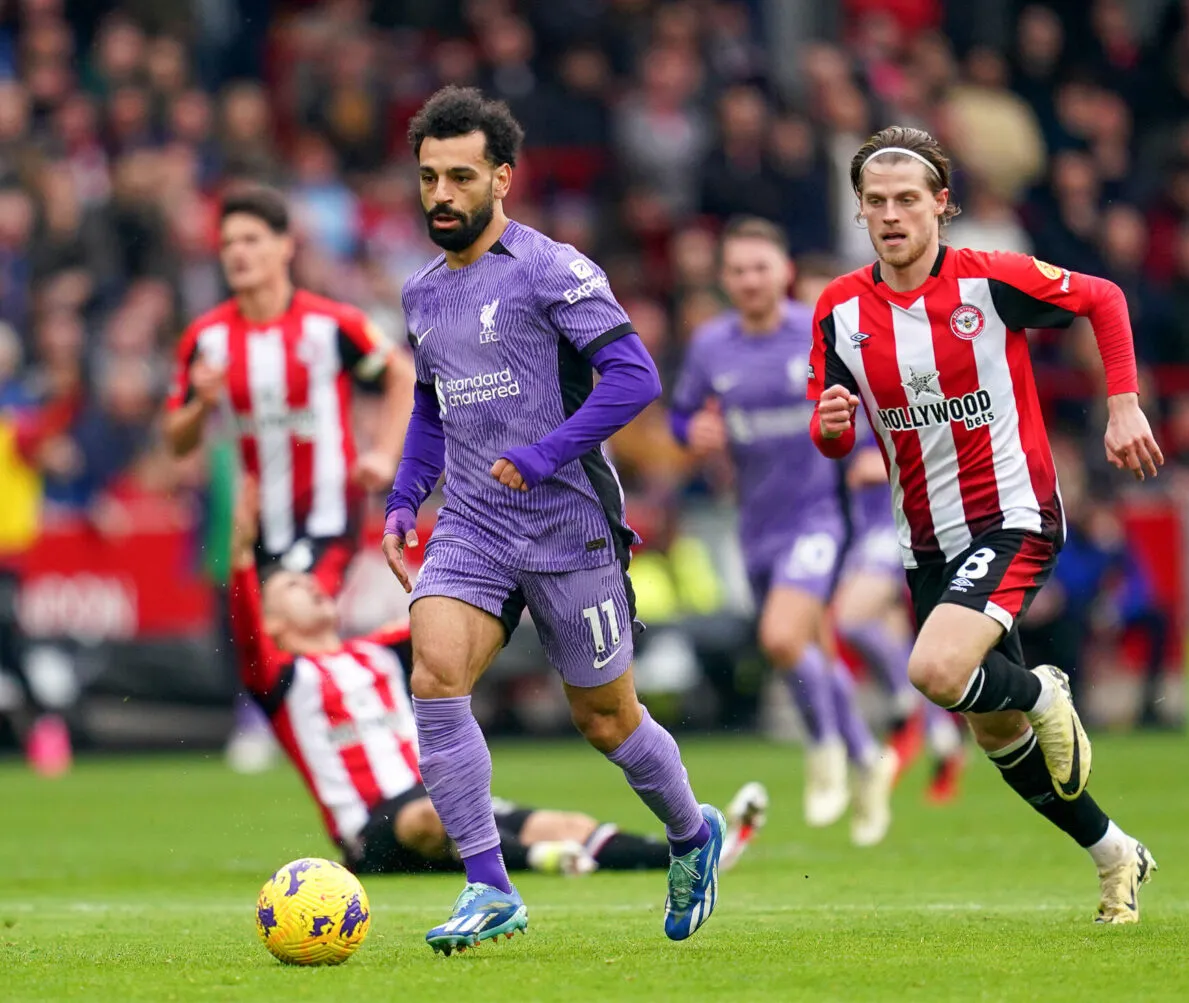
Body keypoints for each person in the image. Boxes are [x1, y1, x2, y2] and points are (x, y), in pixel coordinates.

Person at [381, 86, 724, 953]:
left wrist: (543, 454)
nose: (441, 195)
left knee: (606, 720)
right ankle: (489, 885)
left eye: (461, 176)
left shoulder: (553, 269)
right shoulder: (421, 295)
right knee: (434, 671)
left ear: (503, 177)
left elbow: (634, 377)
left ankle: (692, 833)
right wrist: (402, 496)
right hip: (474, 526)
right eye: (429, 178)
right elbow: (431, 407)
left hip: (569, 528)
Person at [808, 125, 1164, 924]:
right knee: (994, 730)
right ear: (860, 212)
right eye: (876, 202)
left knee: (934, 671)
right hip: (923, 538)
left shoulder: (989, 281)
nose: (892, 215)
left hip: (1013, 515)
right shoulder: (837, 308)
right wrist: (831, 421)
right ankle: (1115, 852)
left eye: (908, 200)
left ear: (942, 205)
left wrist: (1123, 403)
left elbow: (1102, 297)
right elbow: (830, 431)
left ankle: (1045, 686)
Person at [227, 476, 766, 880]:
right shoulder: (280, 678)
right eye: (294, 589)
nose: (314, 588)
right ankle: (537, 861)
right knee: (428, 818)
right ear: (272, 621)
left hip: (439, 795)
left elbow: (459, 616)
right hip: (373, 827)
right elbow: (245, 631)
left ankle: (692, 858)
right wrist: (240, 553)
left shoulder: (379, 650)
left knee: (565, 821)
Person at [164, 186, 417, 773]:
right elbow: (176, 438)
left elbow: (402, 376)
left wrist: (383, 454)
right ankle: (363, 716)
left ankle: (349, 734)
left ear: (285, 247)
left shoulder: (332, 325)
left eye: (251, 239)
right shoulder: (207, 339)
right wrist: (201, 405)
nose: (238, 253)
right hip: (253, 520)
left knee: (291, 614)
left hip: (328, 513)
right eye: (228, 243)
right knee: (259, 633)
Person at [670, 216, 894, 847]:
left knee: (780, 636)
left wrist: (873, 456)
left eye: (760, 268)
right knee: (804, 648)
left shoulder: (818, 334)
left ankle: (823, 749)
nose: (749, 280)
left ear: (785, 272)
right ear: (724, 279)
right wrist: (695, 435)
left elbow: (869, 401)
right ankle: (866, 756)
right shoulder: (713, 344)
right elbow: (683, 416)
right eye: (737, 270)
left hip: (819, 516)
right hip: (757, 525)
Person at [833, 422, 968, 803]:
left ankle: (903, 704)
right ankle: (945, 744)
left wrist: (876, 465)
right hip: (863, 532)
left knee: (850, 618)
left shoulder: (882, 393)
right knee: (899, 645)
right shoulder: (836, 403)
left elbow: (926, 451)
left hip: (897, 528)